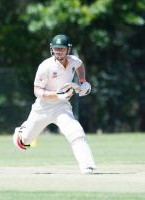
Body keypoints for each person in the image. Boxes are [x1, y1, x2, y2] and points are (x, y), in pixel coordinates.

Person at [13, 34, 96, 174]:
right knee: (26, 141)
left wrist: (82, 81)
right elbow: (37, 91)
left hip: (61, 106)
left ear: (68, 49)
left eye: (62, 49)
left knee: (75, 130)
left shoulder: (73, 61)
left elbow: (80, 66)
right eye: (56, 48)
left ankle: (87, 165)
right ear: (52, 49)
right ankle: (20, 133)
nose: (58, 51)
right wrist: (56, 95)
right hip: (42, 107)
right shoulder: (45, 66)